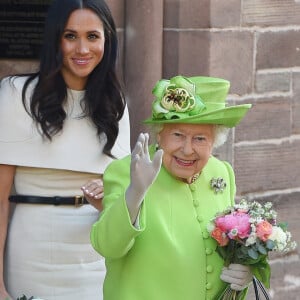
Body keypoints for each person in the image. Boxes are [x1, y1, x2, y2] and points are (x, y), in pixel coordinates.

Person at [0, 0, 130, 299]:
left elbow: (123, 199)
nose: (82, 49)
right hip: (30, 250)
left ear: (107, 41)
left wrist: (109, 195)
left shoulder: (116, 105)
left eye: (92, 37)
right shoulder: (16, 94)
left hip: (94, 256)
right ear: (55, 39)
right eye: (70, 36)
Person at [90, 75, 253, 300]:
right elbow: (107, 246)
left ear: (214, 142)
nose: (187, 150)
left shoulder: (221, 172)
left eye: (200, 139)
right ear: (160, 134)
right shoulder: (127, 171)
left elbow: (230, 243)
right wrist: (134, 194)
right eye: (178, 135)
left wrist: (243, 273)